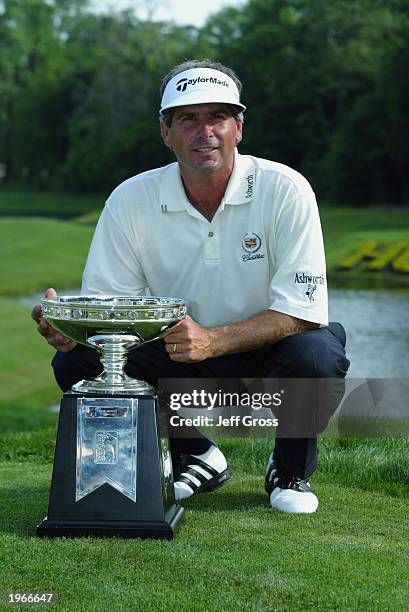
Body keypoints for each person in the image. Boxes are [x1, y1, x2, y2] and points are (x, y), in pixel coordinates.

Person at [32, 59, 349, 513]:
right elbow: (108, 307)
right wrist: (74, 331)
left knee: (317, 354)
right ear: (166, 131)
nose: (205, 132)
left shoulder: (286, 189)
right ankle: (196, 452)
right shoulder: (130, 198)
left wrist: (214, 340)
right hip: (181, 352)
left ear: (238, 127)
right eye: (188, 119)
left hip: (270, 350)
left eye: (217, 117)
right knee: (78, 361)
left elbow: (302, 311)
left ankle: (290, 469)